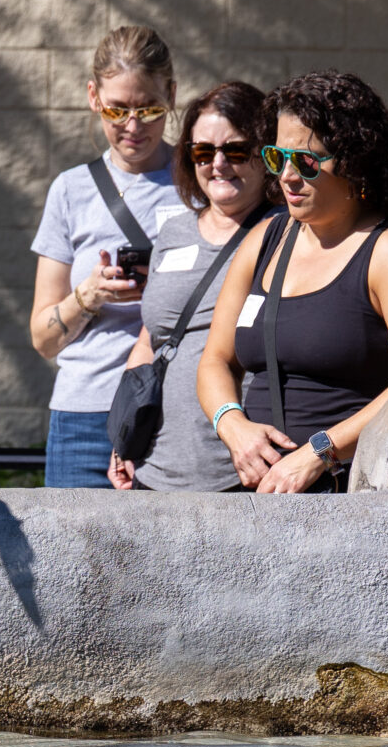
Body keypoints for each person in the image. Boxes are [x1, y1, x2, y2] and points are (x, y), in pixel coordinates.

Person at [194, 70, 388, 494]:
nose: (287, 176)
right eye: (277, 158)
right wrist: (233, 425)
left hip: (352, 495)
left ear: (355, 163)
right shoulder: (266, 238)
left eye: (306, 162)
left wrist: (320, 453)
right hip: (263, 495)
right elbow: (215, 360)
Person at [27, 25, 183, 488]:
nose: (133, 126)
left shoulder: (200, 184)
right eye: (117, 110)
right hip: (85, 415)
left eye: (148, 109)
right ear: (93, 97)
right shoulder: (70, 190)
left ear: (172, 96)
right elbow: (43, 340)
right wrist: (89, 296)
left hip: (171, 409)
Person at [107, 81, 277, 492]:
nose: (217, 164)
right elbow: (150, 339)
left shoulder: (285, 232)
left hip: (241, 470)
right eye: (202, 151)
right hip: (153, 470)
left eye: (235, 150)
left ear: (264, 152)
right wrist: (124, 438)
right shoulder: (174, 232)